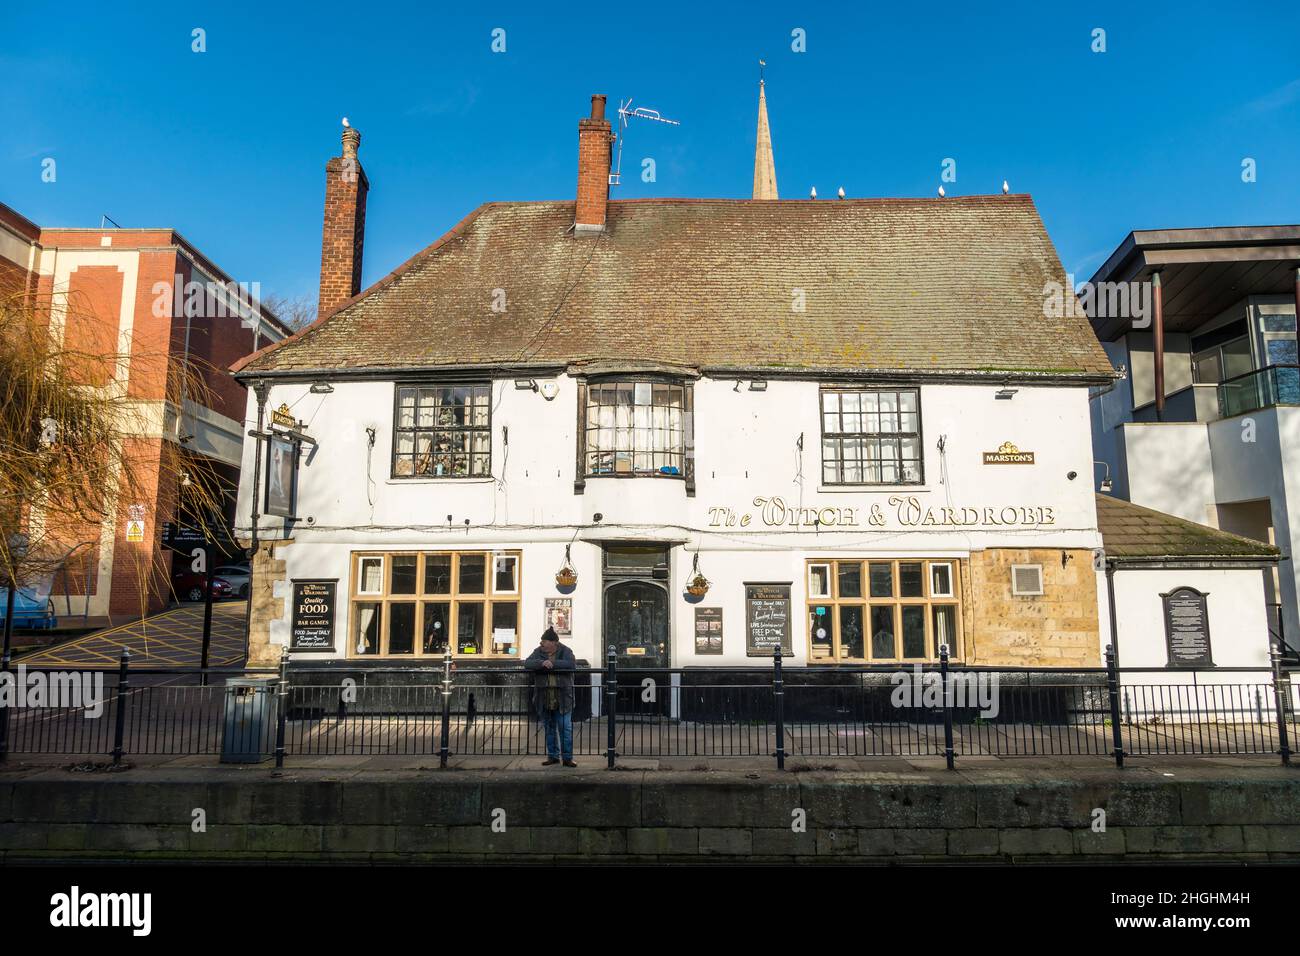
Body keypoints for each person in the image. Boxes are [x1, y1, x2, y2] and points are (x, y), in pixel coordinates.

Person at [523, 626, 577, 767]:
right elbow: (527, 663)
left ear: (554, 643)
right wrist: (542, 663)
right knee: (549, 728)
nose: (541, 644)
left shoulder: (566, 651)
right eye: (541, 642)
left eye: (544, 641)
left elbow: (571, 664)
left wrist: (552, 663)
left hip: (563, 698)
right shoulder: (538, 652)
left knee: (565, 728)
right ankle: (553, 756)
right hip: (544, 698)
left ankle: (567, 758)